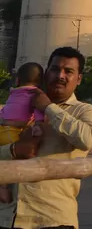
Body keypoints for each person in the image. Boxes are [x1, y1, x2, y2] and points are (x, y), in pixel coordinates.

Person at [0, 47, 92, 229]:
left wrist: (48, 108)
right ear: (46, 74)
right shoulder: (15, 110)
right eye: (55, 69)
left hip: (53, 219)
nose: (60, 75)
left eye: (68, 71)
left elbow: (86, 139)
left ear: (79, 79)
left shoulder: (84, 111)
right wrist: (13, 150)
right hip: (8, 217)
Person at [0, 63, 46, 204]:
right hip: (11, 132)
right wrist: (38, 124)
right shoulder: (35, 94)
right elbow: (39, 108)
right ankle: (3, 187)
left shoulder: (14, 92)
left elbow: (6, 109)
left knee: (6, 158)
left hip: (4, 128)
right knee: (17, 156)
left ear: (18, 80)